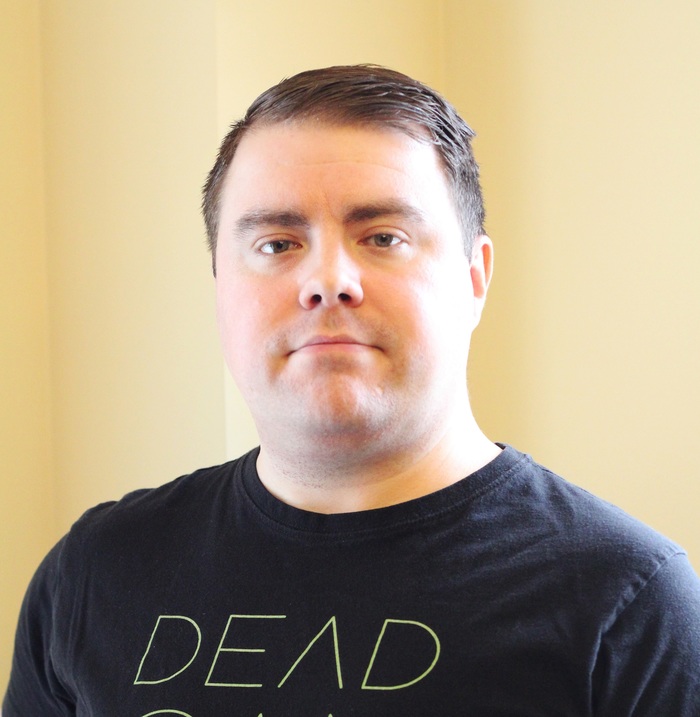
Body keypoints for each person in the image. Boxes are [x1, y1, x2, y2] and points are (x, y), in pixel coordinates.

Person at [4, 65, 700, 716]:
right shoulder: (96, 572)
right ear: (220, 285)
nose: (328, 280)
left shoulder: (626, 600)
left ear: (474, 277)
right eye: (277, 243)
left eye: (383, 237)